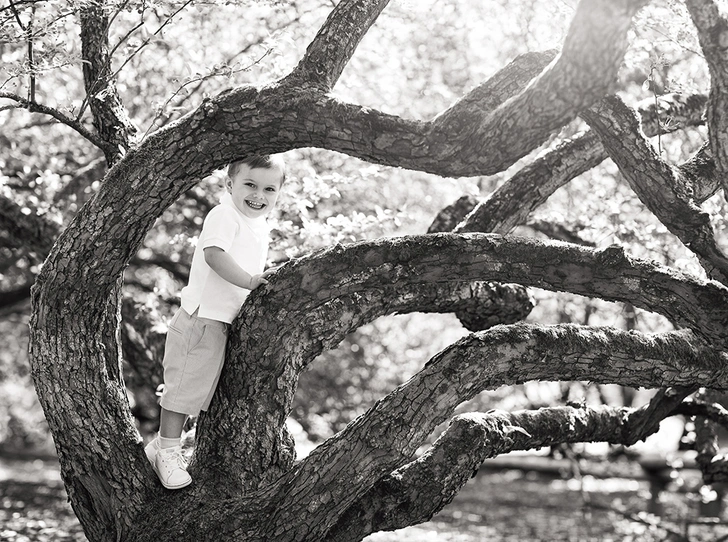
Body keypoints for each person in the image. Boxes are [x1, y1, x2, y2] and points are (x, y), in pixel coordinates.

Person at [144, 154, 286, 489]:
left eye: (269, 188)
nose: (258, 195)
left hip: (221, 320)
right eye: (249, 184)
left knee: (198, 391)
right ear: (229, 184)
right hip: (201, 317)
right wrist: (251, 281)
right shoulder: (225, 215)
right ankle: (166, 452)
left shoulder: (260, 225)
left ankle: (160, 447)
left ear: (279, 193)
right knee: (182, 390)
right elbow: (214, 255)